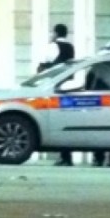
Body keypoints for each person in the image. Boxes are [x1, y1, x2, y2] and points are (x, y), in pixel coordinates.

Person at [39, 23, 75, 166]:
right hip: (69, 88)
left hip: (55, 89)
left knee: (58, 123)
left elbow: (42, 65)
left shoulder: (52, 46)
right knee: (67, 122)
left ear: (55, 33)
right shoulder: (71, 47)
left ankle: (64, 156)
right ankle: (67, 156)